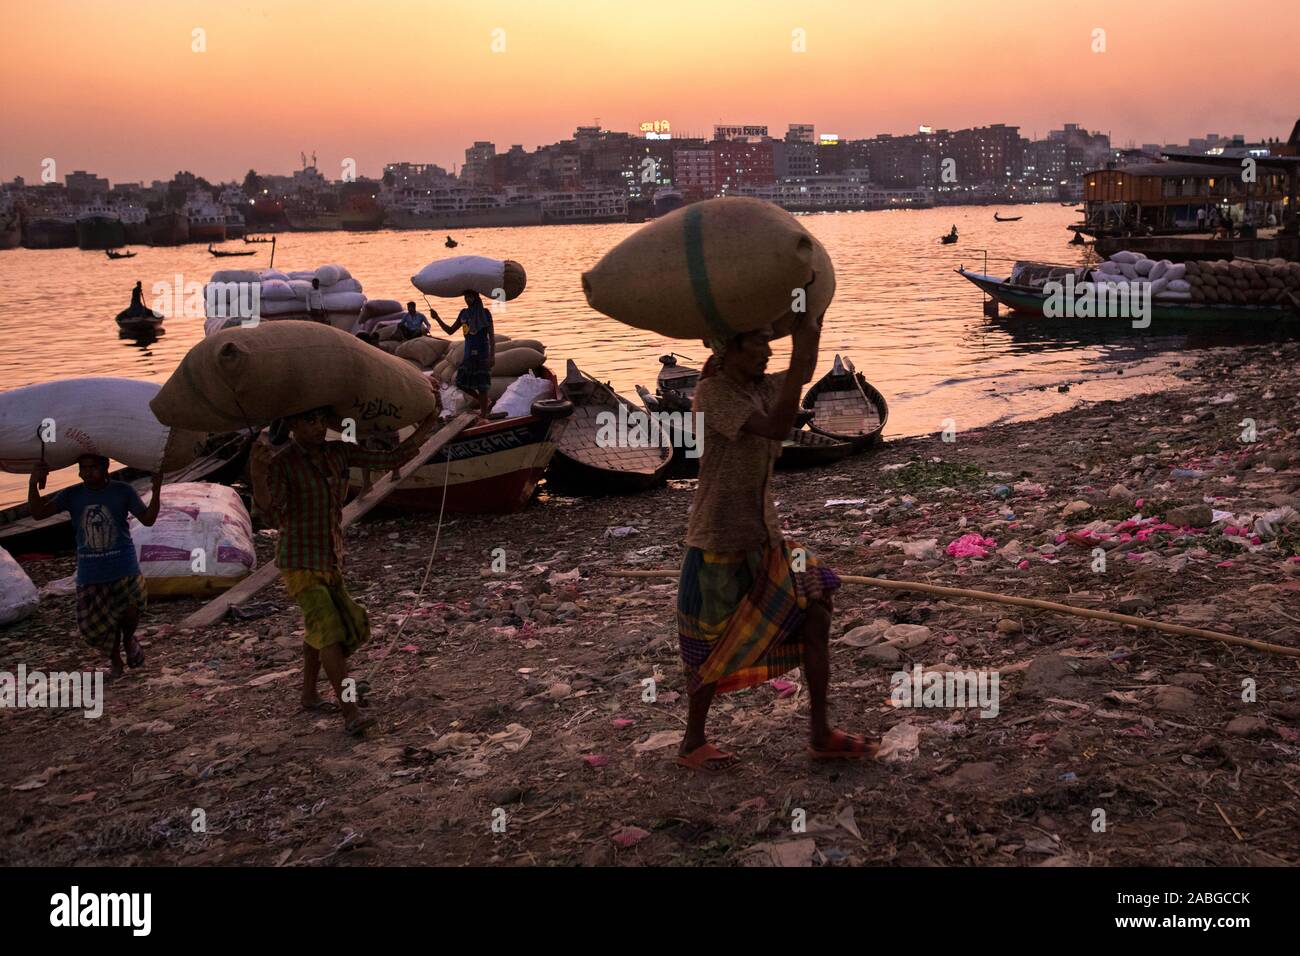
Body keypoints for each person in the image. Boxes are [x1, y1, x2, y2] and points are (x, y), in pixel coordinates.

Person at [674, 306, 875, 772]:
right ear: (729, 352)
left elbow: (801, 373)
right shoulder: (713, 392)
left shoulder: (760, 386)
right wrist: (800, 347)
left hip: (766, 537)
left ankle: (821, 734)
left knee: (816, 611)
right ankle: (692, 741)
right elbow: (778, 427)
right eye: (758, 344)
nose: (767, 352)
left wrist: (810, 326)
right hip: (718, 542)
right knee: (708, 651)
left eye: (770, 342)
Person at [249, 404, 441, 736]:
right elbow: (269, 516)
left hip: (331, 557)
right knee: (332, 633)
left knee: (323, 629)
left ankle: (309, 694)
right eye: (309, 419)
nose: (318, 426)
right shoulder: (282, 464)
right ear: (292, 424)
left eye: (322, 419)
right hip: (299, 562)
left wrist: (426, 425)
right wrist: (257, 476)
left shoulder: (338, 453)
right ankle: (350, 711)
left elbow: (389, 460)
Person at [27, 455, 162, 678]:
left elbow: (148, 519)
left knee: (130, 610)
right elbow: (38, 513)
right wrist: (33, 482)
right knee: (94, 625)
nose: (87, 473)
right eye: (83, 468)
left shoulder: (123, 491)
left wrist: (156, 490)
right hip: (91, 571)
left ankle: (128, 640)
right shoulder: (72, 494)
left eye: (93, 468)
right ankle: (115, 661)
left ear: (106, 468)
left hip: (123, 565)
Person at [432, 290, 496, 419]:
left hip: (482, 355)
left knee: (482, 386)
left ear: (476, 298)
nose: (468, 299)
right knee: (460, 382)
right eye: (466, 297)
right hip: (468, 355)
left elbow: (492, 337)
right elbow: (450, 331)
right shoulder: (463, 314)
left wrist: (492, 356)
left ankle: (484, 415)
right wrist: (437, 318)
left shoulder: (485, 314)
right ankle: (486, 402)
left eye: (470, 297)